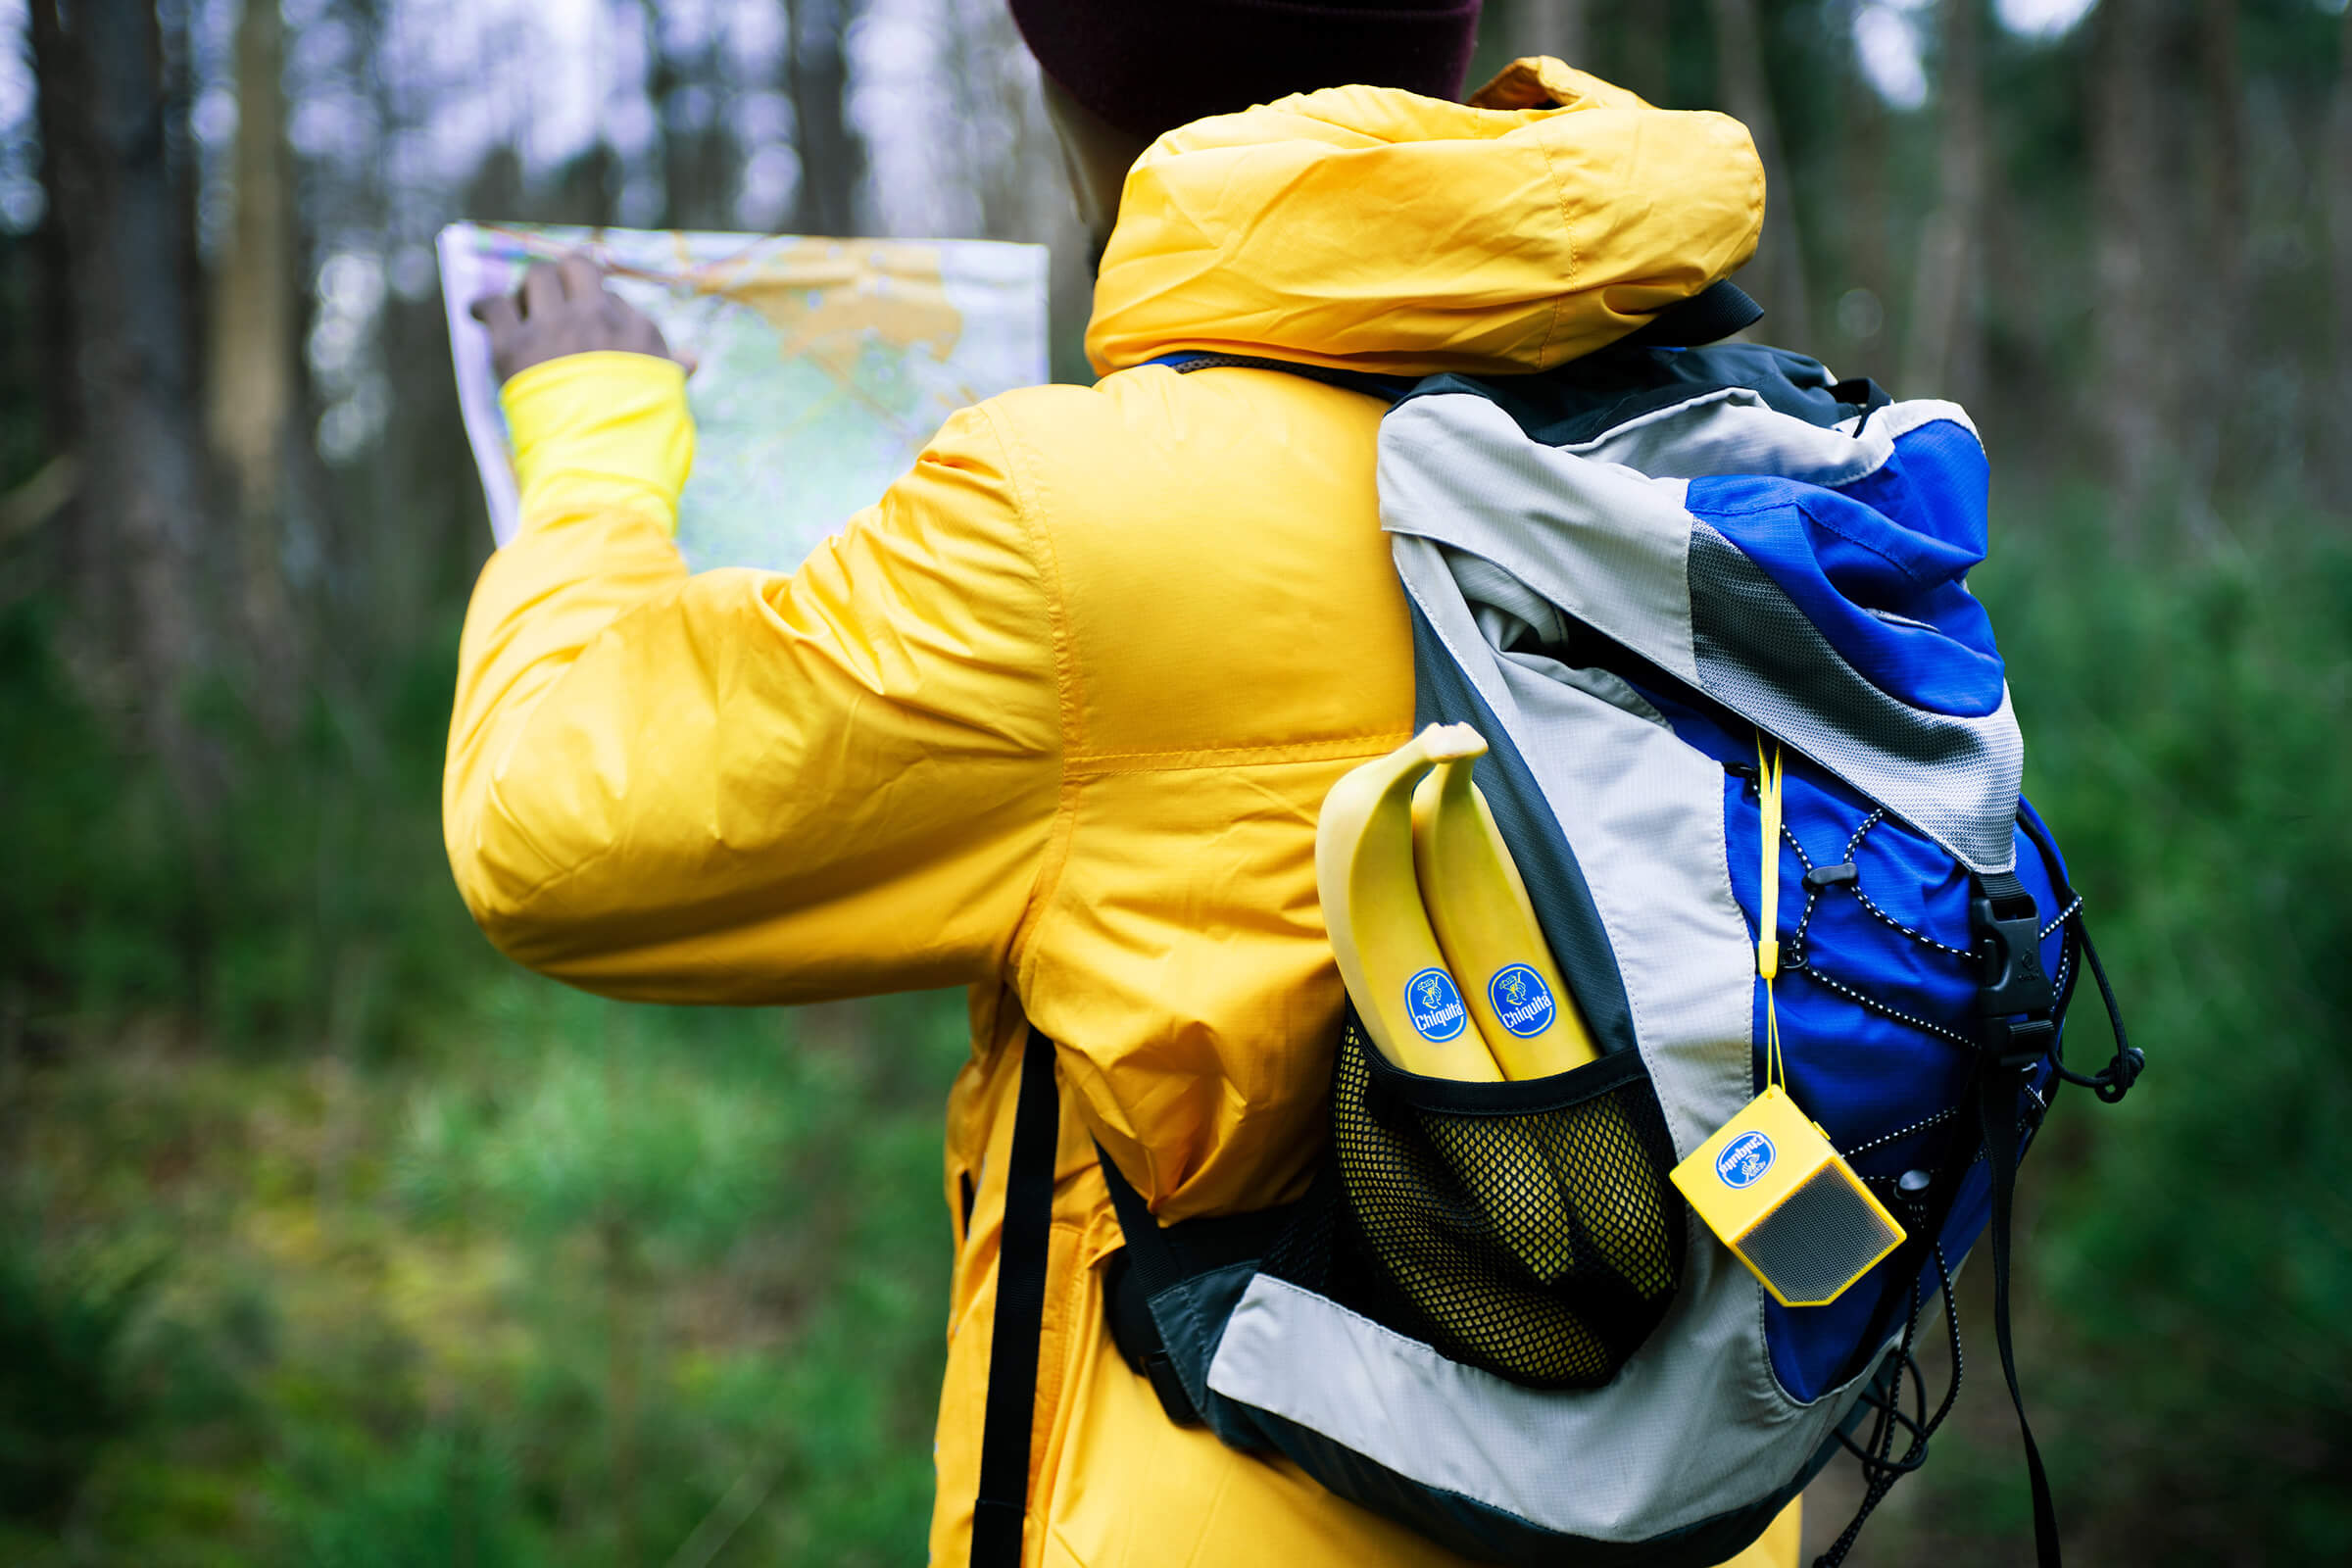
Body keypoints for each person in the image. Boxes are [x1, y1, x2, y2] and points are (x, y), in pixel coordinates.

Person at [447, 3, 1788, 1563]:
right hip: (1681, 1506)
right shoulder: (1739, 430)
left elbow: (547, 822)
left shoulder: (1073, 519)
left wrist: (596, 439)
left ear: (1080, 96)